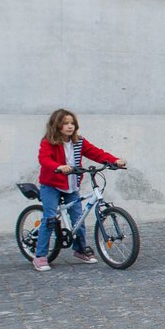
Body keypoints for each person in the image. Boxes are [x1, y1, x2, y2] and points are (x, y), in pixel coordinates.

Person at [33, 109, 127, 271]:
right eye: (65, 123)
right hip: (51, 185)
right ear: (57, 125)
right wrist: (59, 167)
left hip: (71, 185)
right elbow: (44, 159)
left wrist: (114, 160)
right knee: (50, 218)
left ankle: (80, 249)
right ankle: (40, 256)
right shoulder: (49, 142)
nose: (69, 126)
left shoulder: (79, 142)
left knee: (78, 218)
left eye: (72, 123)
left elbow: (96, 153)